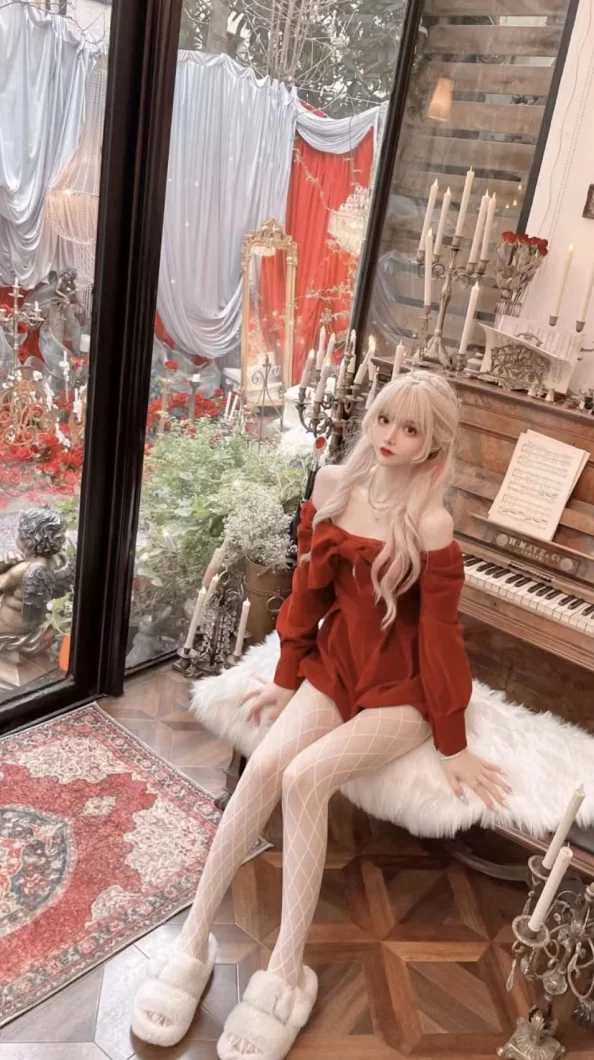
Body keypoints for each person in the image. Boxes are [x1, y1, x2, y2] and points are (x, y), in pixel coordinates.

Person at [131, 369, 509, 1059]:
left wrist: (452, 742)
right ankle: (192, 942)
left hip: (402, 688)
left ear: (433, 446)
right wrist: (285, 677)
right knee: (264, 767)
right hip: (337, 666)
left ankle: (285, 974)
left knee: (304, 777)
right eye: (385, 419)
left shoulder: (431, 522)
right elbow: (308, 594)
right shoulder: (335, 485)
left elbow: (439, 639)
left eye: (411, 429)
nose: (390, 436)